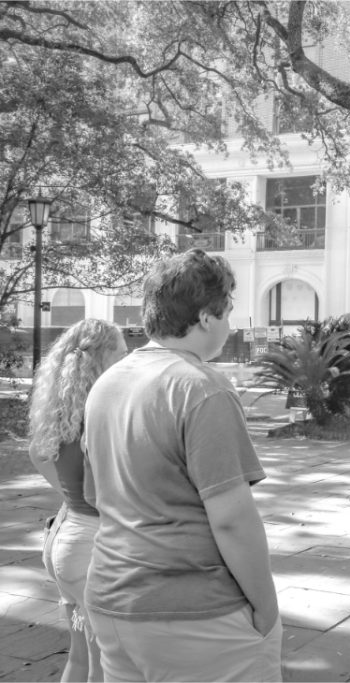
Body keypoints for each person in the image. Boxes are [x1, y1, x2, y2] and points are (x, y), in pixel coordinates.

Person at [82, 249, 282, 682]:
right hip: (194, 613)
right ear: (207, 317)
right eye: (228, 312)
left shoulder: (107, 383)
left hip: (111, 598)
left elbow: (93, 495)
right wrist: (266, 606)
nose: (229, 326)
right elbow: (231, 518)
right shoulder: (202, 388)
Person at [29, 319, 127, 682]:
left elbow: (38, 454)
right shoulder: (101, 415)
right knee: (107, 666)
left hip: (64, 539)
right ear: (100, 359)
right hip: (91, 547)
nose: (127, 360)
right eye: (120, 353)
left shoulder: (62, 412)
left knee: (82, 658)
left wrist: (69, 495)